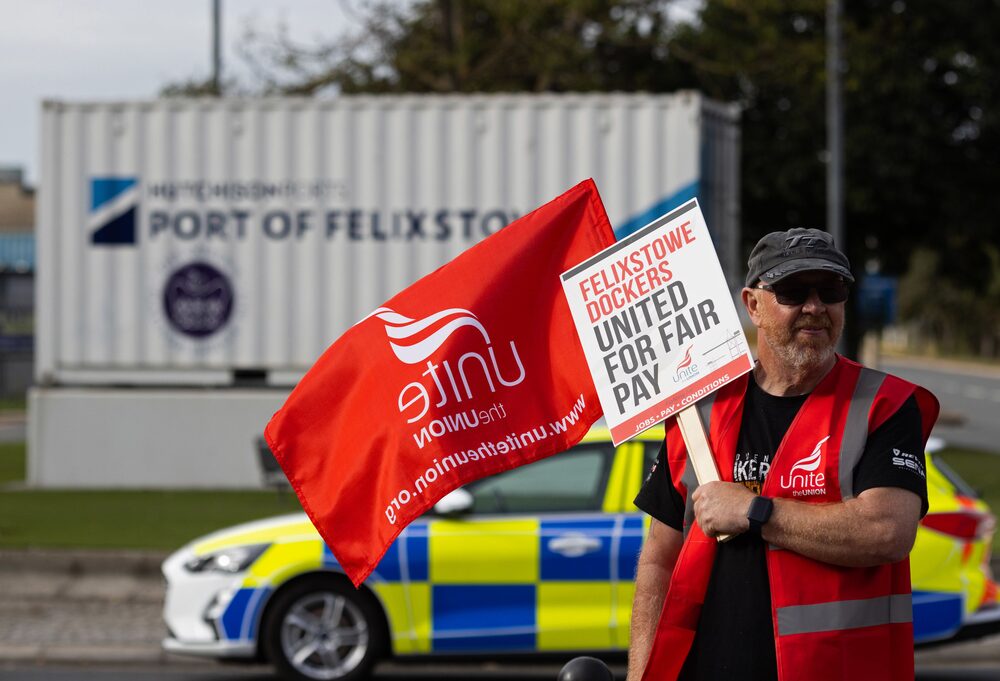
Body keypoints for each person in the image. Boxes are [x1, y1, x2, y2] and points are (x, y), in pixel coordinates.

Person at [627, 228, 939, 681]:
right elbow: (659, 559)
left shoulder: (884, 405)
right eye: (793, 291)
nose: (815, 307)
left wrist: (754, 511)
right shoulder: (700, 412)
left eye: (830, 291)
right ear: (753, 305)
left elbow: (886, 531)